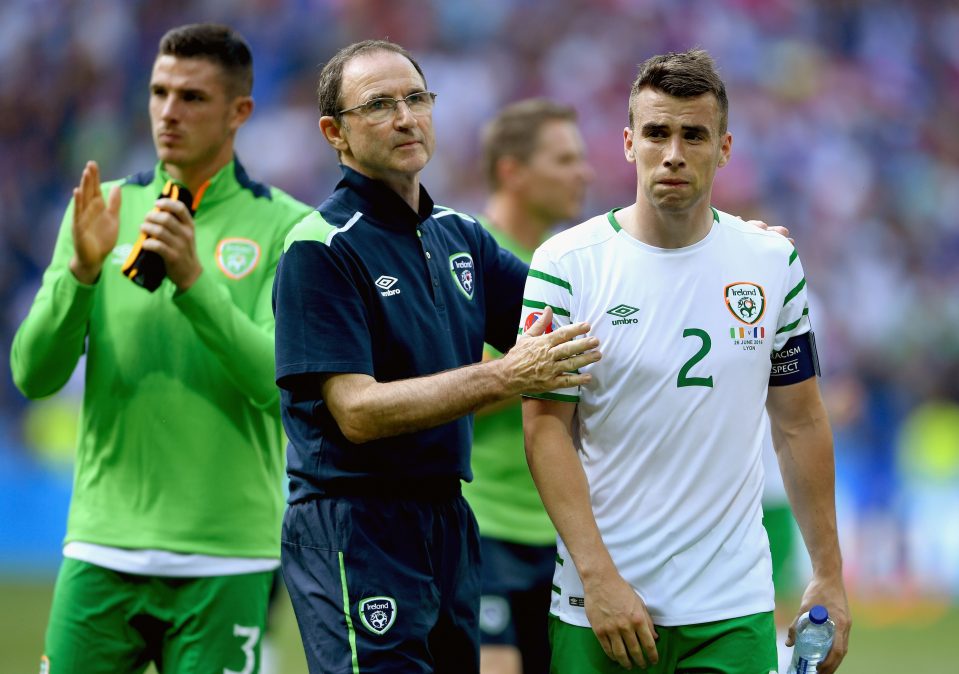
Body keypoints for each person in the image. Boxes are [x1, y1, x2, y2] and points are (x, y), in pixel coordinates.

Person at [271, 40, 601, 674]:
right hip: (356, 524)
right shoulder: (320, 248)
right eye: (379, 105)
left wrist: (710, 251)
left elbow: (581, 321)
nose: (405, 117)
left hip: (448, 519)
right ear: (333, 134)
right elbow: (356, 411)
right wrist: (505, 374)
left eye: (416, 98)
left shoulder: (461, 236)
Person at [520, 48, 851, 674]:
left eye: (693, 135)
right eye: (656, 132)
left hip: (730, 609)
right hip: (603, 607)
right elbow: (544, 430)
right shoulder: (566, 264)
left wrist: (827, 575)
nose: (673, 152)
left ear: (723, 149)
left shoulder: (770, 263)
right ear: (627, 142)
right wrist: (598, 578)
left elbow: (800, 422)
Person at [10, 24, 312, 674]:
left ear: (239, 113)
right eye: (158, 92)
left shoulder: (287, 227)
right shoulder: (102, 210)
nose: (168, 112)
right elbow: (33, 373)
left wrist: (194, 282)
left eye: (192, 97)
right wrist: (80, 276)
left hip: (225, 554)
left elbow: (277, 385)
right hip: (101, 546)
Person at [463, 99, 594, 674]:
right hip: (483, 524)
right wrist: (521, 371)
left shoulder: (572, 266)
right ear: (513, 171)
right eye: (565, 159)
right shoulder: (461, 258)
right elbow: (433, 397)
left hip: (563, 529)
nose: (583, 173)